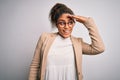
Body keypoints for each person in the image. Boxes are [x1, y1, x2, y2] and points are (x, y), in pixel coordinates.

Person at [28, 3, 105, 80]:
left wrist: (88, 22)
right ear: (56, 24)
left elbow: (99, 48)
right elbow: (35, 66)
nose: (67, 27)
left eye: (70, 22)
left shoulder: (78, 43)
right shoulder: (45, 38)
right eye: (62, 23)